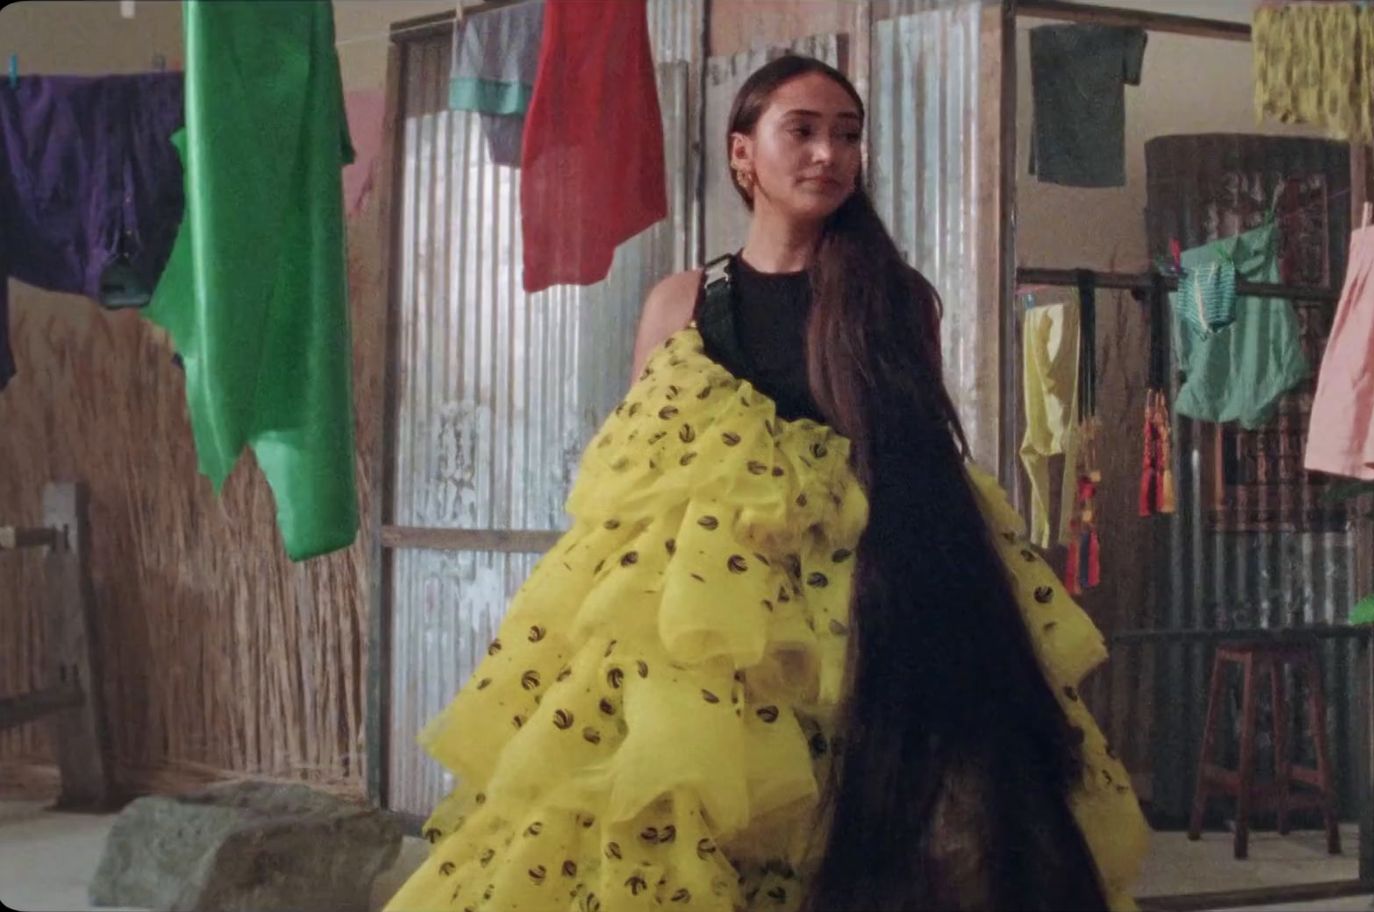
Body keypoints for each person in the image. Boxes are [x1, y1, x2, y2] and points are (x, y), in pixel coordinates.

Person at [384, 55, 1148, 912]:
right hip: (709, 633)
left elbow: (917, 462)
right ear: (743, 153)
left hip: (879, 617)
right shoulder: (682, 302)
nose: (829, 154)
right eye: (805, 131)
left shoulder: (897, 300)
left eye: (848, 136)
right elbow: (635, 477)